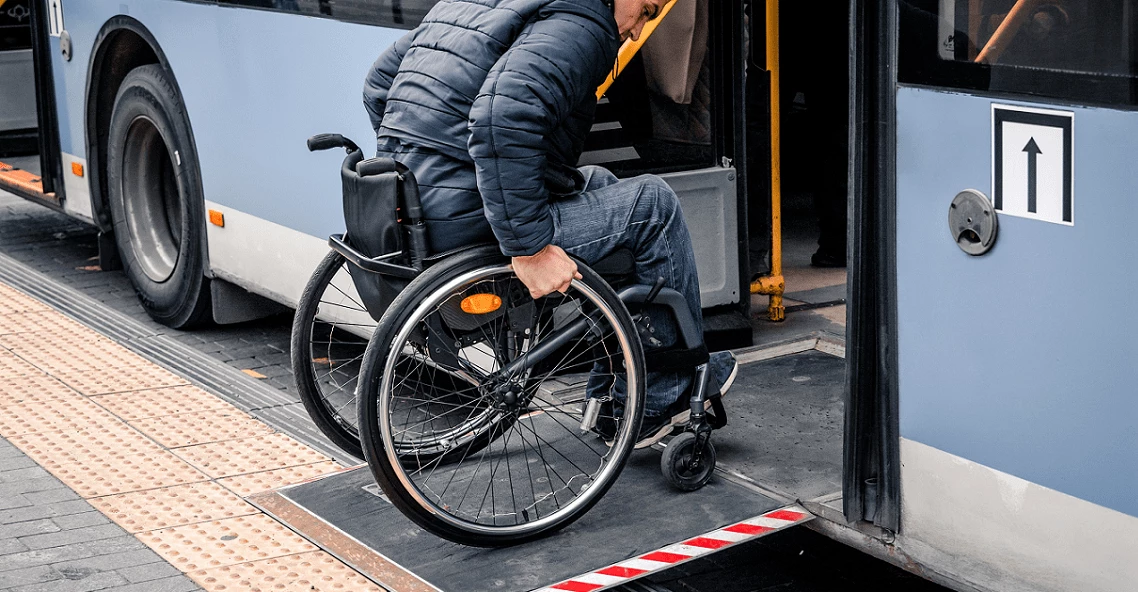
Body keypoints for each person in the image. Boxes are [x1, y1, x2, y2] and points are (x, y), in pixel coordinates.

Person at [362, 0, 736, 448]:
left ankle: (616, 376)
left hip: (421, 204)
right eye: (647, 11)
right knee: (654, 204)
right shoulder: (587, 24)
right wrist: (530, 248)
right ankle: (662, 394)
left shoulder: (475, 4)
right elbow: (501, 118)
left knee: (601, 185)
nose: (637, 32)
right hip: (470, 217)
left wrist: (425, 160)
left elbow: (379, 82)